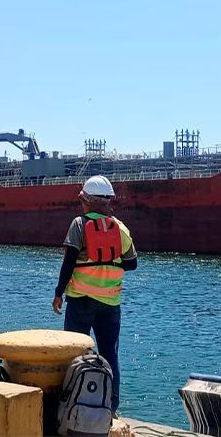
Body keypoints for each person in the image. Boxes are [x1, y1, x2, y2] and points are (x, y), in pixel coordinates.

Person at [52, 175, 137, 413]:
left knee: (74, 352)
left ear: (87, 201)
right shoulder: (121, 228)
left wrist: (59, 292)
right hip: (111, 302)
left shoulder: (79, 224)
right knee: (110, 354)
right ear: (108, 201)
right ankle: (111, 407)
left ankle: (72, 405)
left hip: (81, 300)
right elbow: (131, 264)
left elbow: (68, 262)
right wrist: (108, 262)